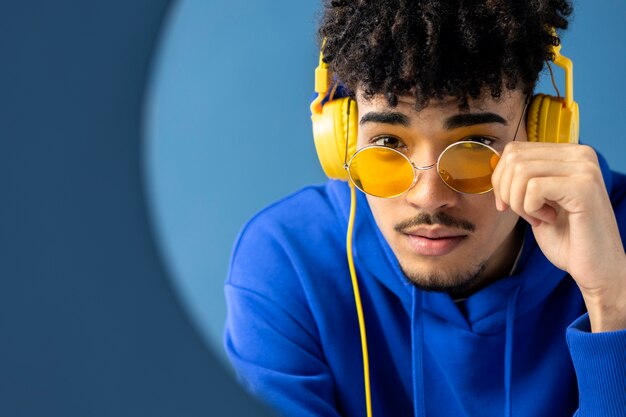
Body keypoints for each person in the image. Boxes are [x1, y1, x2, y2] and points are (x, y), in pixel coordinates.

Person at [224, 1, 626, 416]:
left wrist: (612, 303)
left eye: (475, 145)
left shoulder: (620, 242)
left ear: (544, 135)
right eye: (388, 143)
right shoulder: (287, 262)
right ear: (341, 145)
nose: (429, 196)